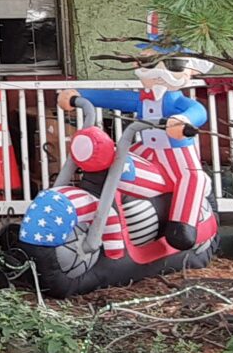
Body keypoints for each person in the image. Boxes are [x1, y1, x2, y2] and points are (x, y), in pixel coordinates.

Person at [57, 55, 210, 251]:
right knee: (116, 163)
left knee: (191, 177)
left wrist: (182, 120)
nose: (160, 71)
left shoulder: (178, 102)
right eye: (150, 63)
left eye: (174, 65)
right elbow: (115, 98)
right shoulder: (142, 99)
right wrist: (80, 95)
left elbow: (197, 111)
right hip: (146, 148)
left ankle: (183, 224)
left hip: (177, 152)